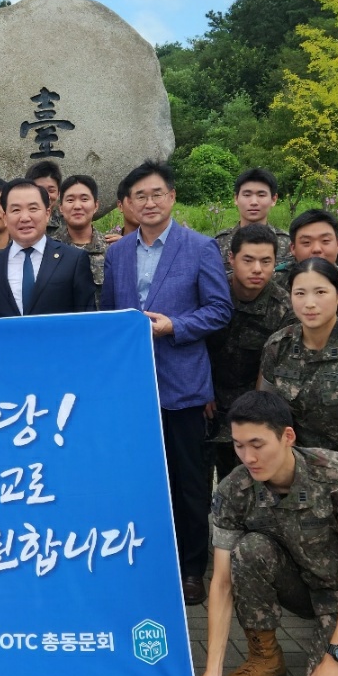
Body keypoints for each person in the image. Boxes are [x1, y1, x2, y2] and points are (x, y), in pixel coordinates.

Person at [195, 391, 338, 676]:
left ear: (287, 436)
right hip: (297, 583)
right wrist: (213, 670)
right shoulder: (233, 489)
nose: (248, 457)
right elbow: (222, 582)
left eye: (257, 444)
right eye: (239, 446)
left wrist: (337, 655)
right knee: (250, 549)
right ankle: (265, 659)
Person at [100, 160, 233, 606]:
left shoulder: (199, 247)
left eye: (157, 194)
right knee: (136, 481)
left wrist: (173, 325)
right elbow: (109, 317)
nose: (149, 202)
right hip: (132, 388)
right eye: (140, 196)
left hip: (182, 385)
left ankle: (191, 569)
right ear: (128, 204)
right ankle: (143, 562)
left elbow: (219, 310)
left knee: (189, 482)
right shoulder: (117, 252)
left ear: (172, 197)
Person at [259, 258, 338, 457]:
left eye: (320, 292)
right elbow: (269, 412)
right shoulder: (277, 345)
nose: (310, 304)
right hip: (291, 458)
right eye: (300, 293)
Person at [204, 225, 293, 479]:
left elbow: (272, 369)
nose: (257, 269)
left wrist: (254, 414)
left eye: (266, 261)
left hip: (252, 408)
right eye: (248, 260)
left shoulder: (283, 308)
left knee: (246, 484)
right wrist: (200, 388)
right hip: (204, 401)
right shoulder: (210, 291)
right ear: (231, 259)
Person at [0, 180, 94, 317]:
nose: (25, 218)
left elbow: (87, 321)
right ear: (5, 217)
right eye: (16, 210)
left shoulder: (73, 260)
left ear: (47, 213)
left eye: (33, 208)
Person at [213, 169, 292, 266]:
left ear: (273, 199)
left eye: (261, 195)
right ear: (236, 198)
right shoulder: (219, 243)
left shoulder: (288, 244)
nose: (254, 202)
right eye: (247, 195)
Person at [58, 173, 109, 301]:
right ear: (61, 208)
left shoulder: (112, 250)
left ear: (96, 205)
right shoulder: (49, 249)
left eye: (84, 199)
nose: (77, 206)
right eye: (70, 200)